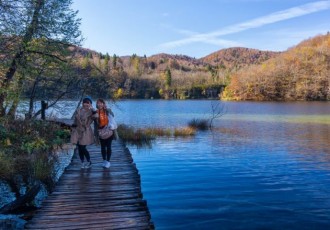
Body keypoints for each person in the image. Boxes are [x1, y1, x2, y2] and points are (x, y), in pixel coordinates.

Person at [71, 96, 96, 169]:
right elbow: (75, 120)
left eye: (88, 103)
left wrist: (93, 109)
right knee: (79, 147)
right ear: (83, 103)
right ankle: (82, 162)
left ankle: (89, 161)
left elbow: (96, 116)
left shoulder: (91, 111)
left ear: (90, 104)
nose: (86, 104)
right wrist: (73, 129)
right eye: (85, 102)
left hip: (86, 131)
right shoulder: (79, 110)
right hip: (77, 130)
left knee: (82, 147)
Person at [96, 98, 115, 169]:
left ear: (103, 104)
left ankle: (108, 161)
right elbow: (93, 119)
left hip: (109, 131)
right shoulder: (96, 112)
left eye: (101, 103)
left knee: (109, 147)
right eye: (98, 103)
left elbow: (113, 115)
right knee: (103, 147)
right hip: (101, 132)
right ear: (97, 104)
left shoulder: (107, 110)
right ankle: (104, 160)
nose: (100, 104)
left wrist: (108, 110)